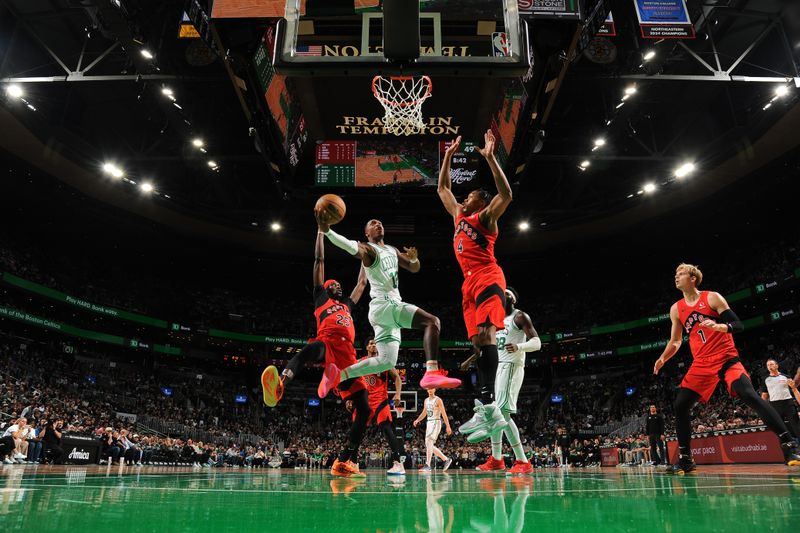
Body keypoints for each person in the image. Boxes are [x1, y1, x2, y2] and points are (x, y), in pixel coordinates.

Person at [653, 263, 800, 474]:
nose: (676, 277)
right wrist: (663, 357)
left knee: (749, 395)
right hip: (701, 363)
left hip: (725, 357)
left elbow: (738, 325)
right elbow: (676, 341)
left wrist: (722, 326)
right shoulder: (676, 308)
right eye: (675, 273)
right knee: (680, 405)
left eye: (681, 273)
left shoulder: (712, 297)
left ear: (693, 278)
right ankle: (686, 459)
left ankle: (789, 445)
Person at [260, 229, 371, 478]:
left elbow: (362, 283)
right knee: (311, 349)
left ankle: (344, 460)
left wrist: (366, 255)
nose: (339, 286)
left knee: (365, 410)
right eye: (335, 284)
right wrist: (321, 232)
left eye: (340, 285)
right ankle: (280, 383)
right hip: (328, 344)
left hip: (349, 358)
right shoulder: (321, 298)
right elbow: (319, 261)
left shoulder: (347, 305)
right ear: (326, 288)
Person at [315, 210, 460, 392]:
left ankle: (339, 374)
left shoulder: (392, 250)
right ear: (367, 233)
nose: (378, 225)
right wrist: (327, 231)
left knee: (386, 362)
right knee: (432, 322)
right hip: (385, 305)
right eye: (373, 223)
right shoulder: (368, 249)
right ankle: (431, 370)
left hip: (382, 312)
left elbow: (414, 268)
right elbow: (349, 246)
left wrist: (414, 259)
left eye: (380, 223)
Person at [438, 131, 514, 440]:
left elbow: (506, 195)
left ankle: (490, 406)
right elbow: (442, 187)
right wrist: (447, 156)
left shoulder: (486, 218)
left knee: (486, 335)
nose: (464, 198)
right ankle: (486, 408)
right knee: (479, 344)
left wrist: (491, 159)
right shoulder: (458, 217)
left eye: (469, 196)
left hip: (488, 277)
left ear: (481, 201)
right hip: (467, 285)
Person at [473, 287, 541, 474]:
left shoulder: (519, 317)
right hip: (498, 368)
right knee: (495, 415)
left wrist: (519, 346)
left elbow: (537, 342)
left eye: (504, 294)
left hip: (511, 366)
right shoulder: (496, 321)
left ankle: (522, 461)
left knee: (501, 414)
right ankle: (497, 459)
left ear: (512, 299)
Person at [347, 338, 407, 475]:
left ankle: (398, 463)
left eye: (375, 343)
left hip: (380, 399)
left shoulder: (384, 361)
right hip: (364, 400)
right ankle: (353, 465)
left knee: (386, 428)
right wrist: (350, 398)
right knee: (357, 432)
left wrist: (398, 395)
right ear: (367, 347)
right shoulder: (360, 362)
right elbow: (351, 380)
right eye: (371, 343)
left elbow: (397, 378)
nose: (374, 345)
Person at [413, 389, 452, 472]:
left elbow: (444, 414)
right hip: (429, 422)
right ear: (427, 390)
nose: (430, 390)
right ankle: (446, 459)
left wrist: (448, 426)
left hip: (436, 421)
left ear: (435, 389)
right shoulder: (426, 400)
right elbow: (424, 412)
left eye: (432, 388)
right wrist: (417, 420)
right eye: (429, 388)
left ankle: (428, 465)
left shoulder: (438, 400)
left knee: (429, 442)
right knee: (429, 445)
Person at [760, 359, 800, 439]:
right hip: (775, 406)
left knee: (797, 427)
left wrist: (793, 387)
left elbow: (794, 390)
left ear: (777, 365)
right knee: (780, 429)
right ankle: (787, 448)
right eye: (768, 365)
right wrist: (763, 409)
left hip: (788, 403)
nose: (769, 367)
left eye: (771, 364)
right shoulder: (765, 380)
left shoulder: (786, 377)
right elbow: (764, 396)